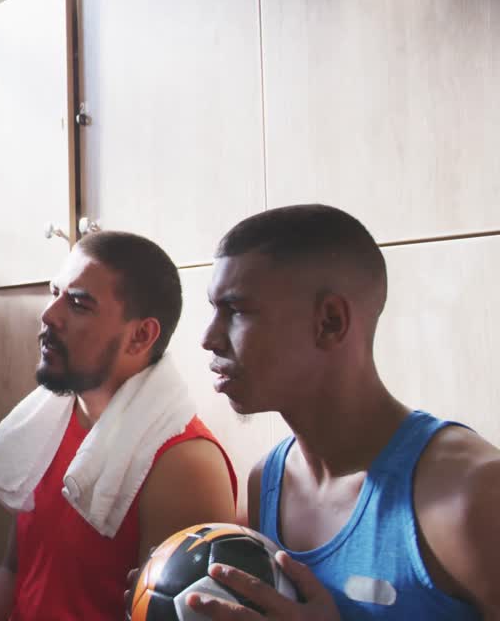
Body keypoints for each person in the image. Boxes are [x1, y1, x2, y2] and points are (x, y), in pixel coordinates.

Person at [192, 204, 500, 619]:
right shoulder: (265, 482)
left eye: (237, 311)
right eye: (213, 309)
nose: (209, 338)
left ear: (330, 321)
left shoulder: (471, 492)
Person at [0, 231, 236, 621]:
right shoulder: (48, 428)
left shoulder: (183, 464)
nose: (49, 314)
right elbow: (13, 572)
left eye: (77, 303)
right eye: (54, 292)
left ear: (141, 335)